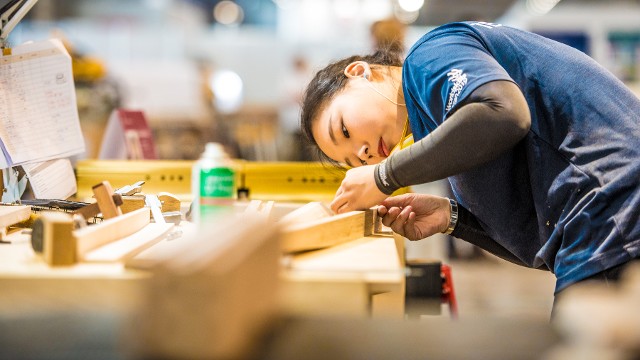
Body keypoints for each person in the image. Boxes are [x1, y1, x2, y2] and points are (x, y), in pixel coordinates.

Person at [299, 21, 640, 300]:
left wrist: (383, 177)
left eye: (343, 129)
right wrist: (452, 218)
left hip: (615, 211)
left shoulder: (429, 55)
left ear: (360, 72)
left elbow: (504, 112)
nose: (363, 155)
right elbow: (538, 247)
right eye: (352, 161)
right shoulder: (445, 126)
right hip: (600, 230)